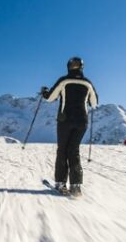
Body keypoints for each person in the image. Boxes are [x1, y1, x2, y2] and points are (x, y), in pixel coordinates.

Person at [41, 56, 98, 197]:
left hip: (65, 120)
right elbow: (95, 103)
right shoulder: (88, 83)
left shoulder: (64, 81)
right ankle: (76, 186)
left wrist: (44, 92)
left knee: (62, 151)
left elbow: (50, 98)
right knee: (74, 150)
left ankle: (60, 183)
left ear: (69, 67)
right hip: (82, 121)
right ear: (82, 67)